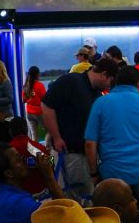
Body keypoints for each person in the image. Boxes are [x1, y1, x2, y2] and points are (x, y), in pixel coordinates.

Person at [85, 65, 139, 223]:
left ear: (115, 81)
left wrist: (93, 173)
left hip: (112, 175)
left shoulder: (101, 103)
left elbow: (90, 144)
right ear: (137, 83)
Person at [42, 58, 118, 199]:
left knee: (86, 198)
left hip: (86, 156)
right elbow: (46, 106)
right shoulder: (70, 81)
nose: (109, 87)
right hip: (69, 155)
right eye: (111, 82)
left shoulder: (96, 93)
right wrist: (56, 137)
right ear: (104, 75)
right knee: (71, 199)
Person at [22, 66, 46, 139]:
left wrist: (30, 97)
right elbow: (45, 99)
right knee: (49, 131)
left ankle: (34, 147)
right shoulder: (40, 85)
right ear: (37, 74)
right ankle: (48, 146)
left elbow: (23, 100)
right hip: (39, 112)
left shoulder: (25, 86)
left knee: (34, 135)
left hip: (29, 112)